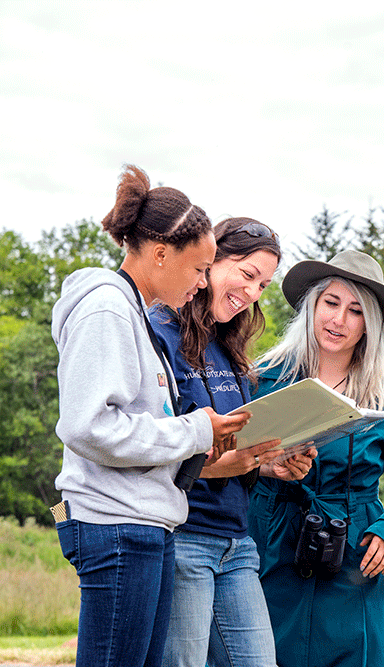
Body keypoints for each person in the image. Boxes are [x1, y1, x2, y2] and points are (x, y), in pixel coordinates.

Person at [50, 165, 249, 667]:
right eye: (201, 268)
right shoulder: (107, 310)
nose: (204, 281)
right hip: (116, 525)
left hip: (147, 524)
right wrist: (197, 428)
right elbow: (88, 426)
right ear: (161, 253)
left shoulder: (134, 314)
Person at [248, 250, 384, 667]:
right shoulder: (262, 377)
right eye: (331, 303)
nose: (339, 320)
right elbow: (227, 461)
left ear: (369, 324)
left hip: (355, 549)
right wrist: (267, 469)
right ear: (312, 307)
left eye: (355, 311)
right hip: (271, 544)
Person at [150, 217, 318, 667]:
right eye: (247, 275)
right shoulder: (157, 331)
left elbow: (233, 443)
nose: (252, 293)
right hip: (184, 536)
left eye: (262, 285)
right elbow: (144, 446)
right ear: (210, 261)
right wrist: (214, 466)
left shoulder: (227, 346)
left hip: (237, 543)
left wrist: (267, 464)